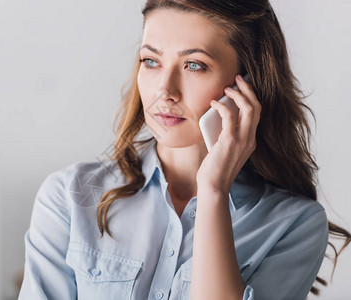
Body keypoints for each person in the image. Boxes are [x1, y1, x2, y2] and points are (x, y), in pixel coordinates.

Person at [18, 1, 351, 299]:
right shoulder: (69, 197)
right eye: (150, 61)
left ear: (247, 84)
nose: (165, 89)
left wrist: (213, 192)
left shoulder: (294, 224)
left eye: (194, 65)